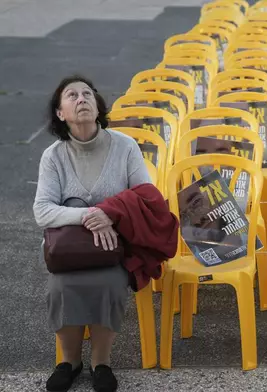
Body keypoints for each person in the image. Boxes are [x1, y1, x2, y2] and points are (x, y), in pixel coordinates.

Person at [33, 75, 151, 392]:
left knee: (110, 285)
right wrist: (90, 214)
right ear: (60, 113)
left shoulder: (125, 146)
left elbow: (146, 195)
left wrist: (109, 214)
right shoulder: (53, 156)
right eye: (71, 95)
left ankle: (101, 361)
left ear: (98, 106)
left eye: (88, 93)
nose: (82, 98)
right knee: (59, 287)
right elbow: (42, 210)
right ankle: (70, 361)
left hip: (114, 247)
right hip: (67, 250)